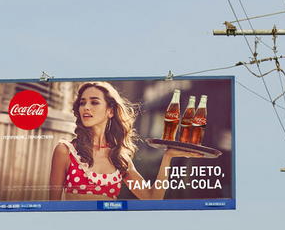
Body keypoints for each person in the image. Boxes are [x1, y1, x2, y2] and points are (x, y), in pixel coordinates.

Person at [48, 81, 201, 201]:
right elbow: (52, 207)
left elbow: (152, 197)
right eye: (82, 102)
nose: (86, 107)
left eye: (94, 102)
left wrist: (168, 157)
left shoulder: (119, 159)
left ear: (110, 111)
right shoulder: (65, 151)